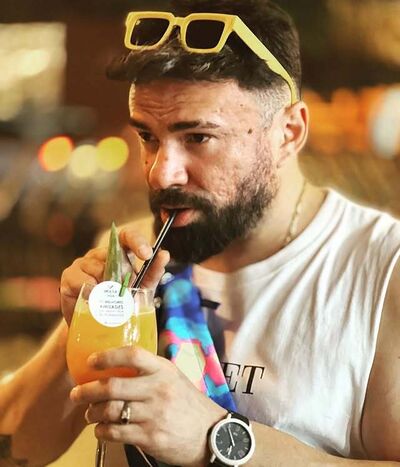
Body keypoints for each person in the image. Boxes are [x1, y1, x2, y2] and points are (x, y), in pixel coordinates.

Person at [1, 0, 400, 465]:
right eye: (148, 137)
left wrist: (216, 437)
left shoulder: (380, 268)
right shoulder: (136, 259)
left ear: (289, 132)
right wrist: (83, 327)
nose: (160, 173)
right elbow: (13, 449)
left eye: (197, 138)